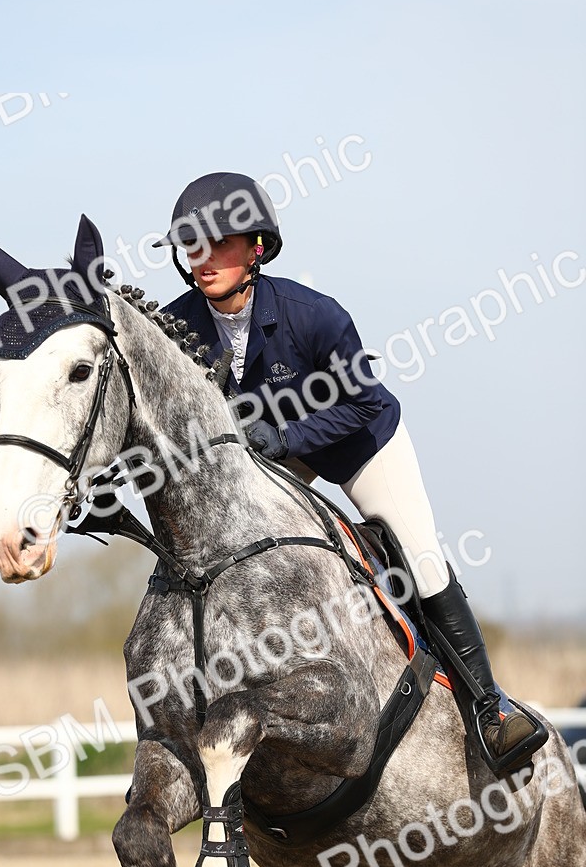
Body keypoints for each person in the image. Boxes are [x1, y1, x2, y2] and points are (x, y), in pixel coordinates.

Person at [153, 171, 543, 773]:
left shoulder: (314, 315)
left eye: (219, 243)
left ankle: (489, 711)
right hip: (272, 456)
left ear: (257, 247)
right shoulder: (177, 327)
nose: (202, 259)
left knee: (420, 559)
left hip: (359, 441)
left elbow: (362, 403)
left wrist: (286, 438)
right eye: (191, 246)